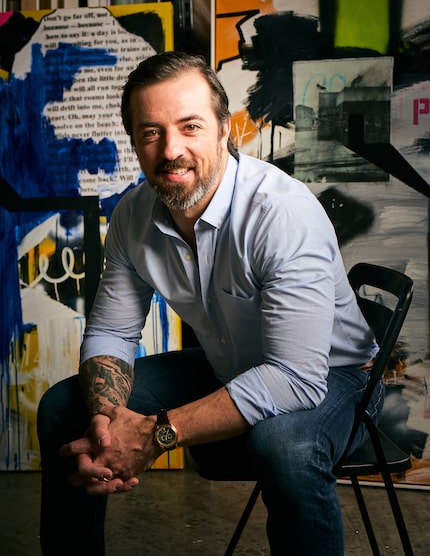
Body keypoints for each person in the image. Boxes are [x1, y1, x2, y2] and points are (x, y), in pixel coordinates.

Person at [37, 51, 382, 556]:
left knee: (283, 445)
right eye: (151, 132)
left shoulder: (280, 214)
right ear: (135, 142)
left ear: (225, 130)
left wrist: (154, 435)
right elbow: (112, 333)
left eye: (190, 126)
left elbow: (295, 377)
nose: (171, 149)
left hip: (336, 375)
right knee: (63, 407)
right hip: (233, 363)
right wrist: (109, 425)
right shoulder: (133, 217)